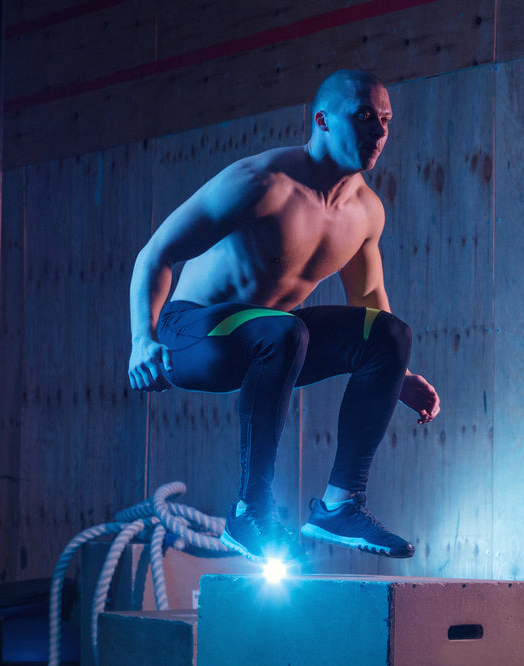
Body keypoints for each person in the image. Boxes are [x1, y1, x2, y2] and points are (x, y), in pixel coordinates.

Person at [127, 70, 440, 563]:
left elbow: (370, 300)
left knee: (390, 335)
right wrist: (141, 339)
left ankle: (339, 506)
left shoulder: (366, 212)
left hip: (276, 339)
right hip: (193, 333)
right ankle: (249, 513)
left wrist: (394, 375)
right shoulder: (262, 183)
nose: (378, 133)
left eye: (385, 120)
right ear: (322, 121)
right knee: (284, 329)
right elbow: (155, 253)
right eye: (363, 117)